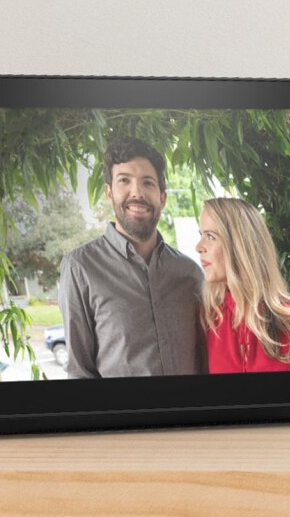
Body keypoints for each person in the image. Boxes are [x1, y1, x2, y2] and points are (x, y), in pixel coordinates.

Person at [57, 137, 204, 378]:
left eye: (148, 183)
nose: (137, 193)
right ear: (109, 192)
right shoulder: (80, 268)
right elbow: (80, 372)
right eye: (124, 181)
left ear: (162, 198)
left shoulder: (190, 272)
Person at [195, 197, 290, 372]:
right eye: (201, 235)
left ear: (239, 245)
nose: (199, 247)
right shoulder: (208, 321)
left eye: (210, 236)